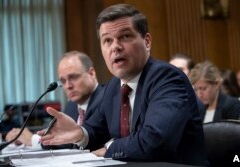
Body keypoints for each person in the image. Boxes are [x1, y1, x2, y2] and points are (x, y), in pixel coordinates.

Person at [39, 4, 208, 166]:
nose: (116, 47)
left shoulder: (166, 78)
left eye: (125, 36)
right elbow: (96, 129)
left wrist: (109, 148)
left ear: (147, 41)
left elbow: (155, 141)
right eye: (107, 41)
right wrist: (79, 133)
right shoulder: (113, 86)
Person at [6, 51, 105, 150]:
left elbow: (79, 141)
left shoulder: (105, 98)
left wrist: (32, 139)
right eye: (63, 81)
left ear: (91, 73)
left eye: (73, 77)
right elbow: (66, 141)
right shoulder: (71, 106)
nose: (68, 86)